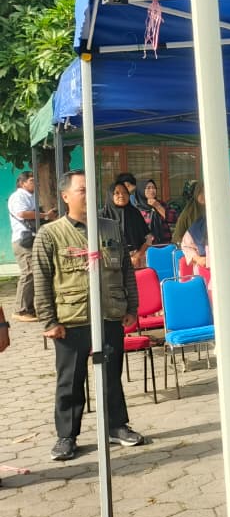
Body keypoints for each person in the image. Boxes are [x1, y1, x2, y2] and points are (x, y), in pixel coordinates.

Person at [34, 170, 145, 460]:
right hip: (71, 319)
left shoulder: (110, 228)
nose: (88, 195)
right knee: (70, 380)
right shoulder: (50, 234)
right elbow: (41, 279)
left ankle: (116, 426)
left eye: (91, 189)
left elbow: (126, 271)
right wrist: (49, 320)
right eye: (81, 190)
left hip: (109, 314)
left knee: (111, 374)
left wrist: (131, 308)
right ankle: (66, 436)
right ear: (65, 196)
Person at [9, 170, 53, 322]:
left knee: (35, 273)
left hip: (31, 238)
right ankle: (20, 310)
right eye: (32, 180)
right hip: (23, 240)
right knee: (29, 273)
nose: (36, 183)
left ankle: (29, 308)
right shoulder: (18, 196)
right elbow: (22, 213)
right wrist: (44, 215)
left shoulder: (30, 197)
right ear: (22, 183)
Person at [102, 178, 153, 269]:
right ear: (110, 195)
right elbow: (98, 241)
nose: (121, 195)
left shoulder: (135, 213)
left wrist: (138, 255)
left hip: (136, 259)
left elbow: (149, 238)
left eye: (125, 192)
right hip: (110, 259)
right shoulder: (103, 215)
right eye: (117, 193)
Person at [178, 184, 210, 272]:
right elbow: (181, 238)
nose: (205, 195)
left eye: (207, 192)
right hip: (201, 262)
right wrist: (197, 257)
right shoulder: (188, 213)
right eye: (201, 192)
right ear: (196, 194)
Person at [139, 179, 172, 244]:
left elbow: (173, 219)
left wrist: (157, 206)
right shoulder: (137, 208)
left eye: (154, 188)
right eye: (148, 188)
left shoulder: (162, 204)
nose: (152, 190)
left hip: (164, 244)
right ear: (141, 190)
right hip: (145, 246)